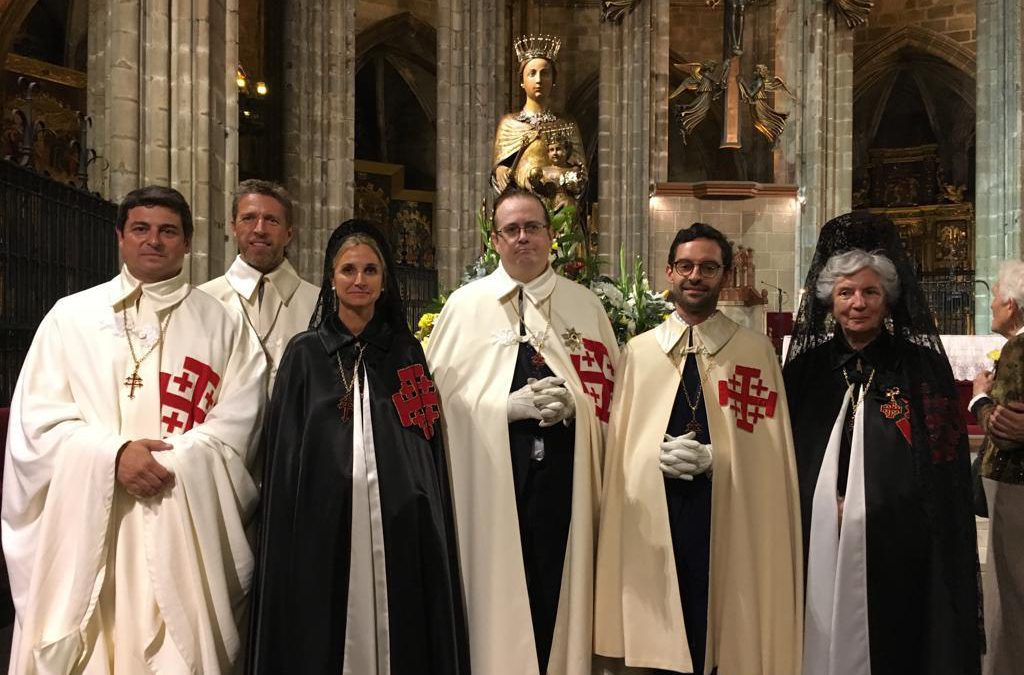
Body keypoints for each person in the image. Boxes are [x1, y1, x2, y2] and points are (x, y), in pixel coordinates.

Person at [3, 185, 266, 674]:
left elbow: (241, 424)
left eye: (168, 231)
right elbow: (34, 423)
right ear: (120, 237)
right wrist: (112, 455)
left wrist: (171, 463)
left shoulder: (224, 324)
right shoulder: (70, 317)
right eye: (141, 229)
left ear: (187, 242)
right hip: (89, 524)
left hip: (180, 516)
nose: (154, 241)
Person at [247, 220, 468, 674]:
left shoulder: (405, 353)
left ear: (384, 281)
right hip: (319, 520)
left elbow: (425, 441)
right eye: (349, 270)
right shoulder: (305, 354)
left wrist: (420, 505)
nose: (359, 280)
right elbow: (287, 453)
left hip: (397, 522)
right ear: (331, 278)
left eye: (370, 270)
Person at [594, 223, 803, 675]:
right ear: (668, 272)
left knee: (720, 622)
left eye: (708, 267)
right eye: (686, 266)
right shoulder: (638, 353)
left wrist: (721, 460)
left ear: (725, 276)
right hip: (655, 512)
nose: (696, 276)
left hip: (726, 511)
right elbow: (620, 451)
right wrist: (650, 459)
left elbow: (769, 457)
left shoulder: (754, 352)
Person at [426, 187, 619, 675]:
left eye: (532, 227)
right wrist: (499, 409)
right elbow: (433, 406)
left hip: (562, 483)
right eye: (510, 230)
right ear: (495, 240)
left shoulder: (584, 307)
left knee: (558, 587)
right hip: (491, 482)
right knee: (493, 591)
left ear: (552, 236)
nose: (522, 238)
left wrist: (575, 408)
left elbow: (614, 403)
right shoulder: (465, 307)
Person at [783, 211, 980, 675]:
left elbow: (942, 461)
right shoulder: (803, 373)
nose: (858, 303)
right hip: (815, 533)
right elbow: (784, 452)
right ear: (829, 300)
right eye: (846, 292)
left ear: (888, 300)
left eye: (870, 292)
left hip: (899, 542)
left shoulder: (920, 369)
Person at [200, 179, 319, 392]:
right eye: (248, 218)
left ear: (289, 233)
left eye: (272, 220)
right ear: (233, 227)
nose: (260, 229)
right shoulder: (204, 300)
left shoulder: (319, 303)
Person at [970, 260, 1024, 675]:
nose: (991, 308)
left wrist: (978, 399)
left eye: (994, 301)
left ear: (1011, 303)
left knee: (1010, 590)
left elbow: (1004, 430)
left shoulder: (1017, 350)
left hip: (1014, 482)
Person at [492, 34, 587, 196]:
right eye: (532, 73)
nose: (539, 80)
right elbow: (499, 174)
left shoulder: (566, 124)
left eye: (545, 73)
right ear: (522, 81)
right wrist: (500, 170)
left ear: (553, 79)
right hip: (521, 202)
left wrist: (561, 179)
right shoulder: (509, 124)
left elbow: (581, 175)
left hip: (557, 205)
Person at [527, 129, 585, 214]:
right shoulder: (543, 171)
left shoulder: (574, 169)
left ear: (566, 150)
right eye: (551, 150)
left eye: (558, 149)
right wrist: (535, 184)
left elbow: (579, 192)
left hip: (568, 208)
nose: (555, 153)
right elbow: (540, 192)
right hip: (549, 208)